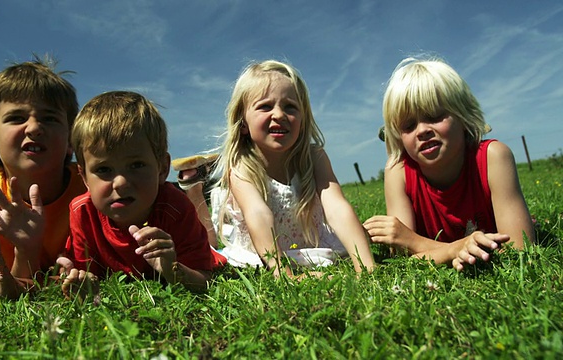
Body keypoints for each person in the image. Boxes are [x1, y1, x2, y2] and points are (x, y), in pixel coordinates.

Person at [363, 56, 535, 271]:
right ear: (398, 137)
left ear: (463, 116)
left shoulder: (492, 156)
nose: (422, 130)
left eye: (434, 116)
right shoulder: (398, 170)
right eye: (408, 125)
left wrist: (417, 242)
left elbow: (520, 250)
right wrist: (456, 249)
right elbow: (401, 256)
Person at [213, 59, 375, 277]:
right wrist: (286, 275)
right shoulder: (241, 167)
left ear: (303, 117)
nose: (279, 115)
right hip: (263, 254)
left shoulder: (314, 157)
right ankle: (193, 186)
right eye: (265, 106)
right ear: (243, 123)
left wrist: (366, 267)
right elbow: (258, 214)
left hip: (310, 246)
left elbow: (337, 207)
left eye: (290, 106)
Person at [58, 91, 224, 293]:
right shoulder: (82, 212)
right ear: (84, 178)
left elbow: (204, 280)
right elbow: (87, 273)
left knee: (213, 247)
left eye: (136, 165)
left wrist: (172, 269)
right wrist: (83, 281)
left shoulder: (175, 207)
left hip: (203, 253)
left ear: (162, 169)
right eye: (103, 170)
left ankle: (195, 185)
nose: (120, 183)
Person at [0, 57, 86, 299]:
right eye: (16, 118)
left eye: (50, 118)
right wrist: (25, 249)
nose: (34, 128)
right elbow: (8, 287)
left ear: (70, 142)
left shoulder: (91, 186)